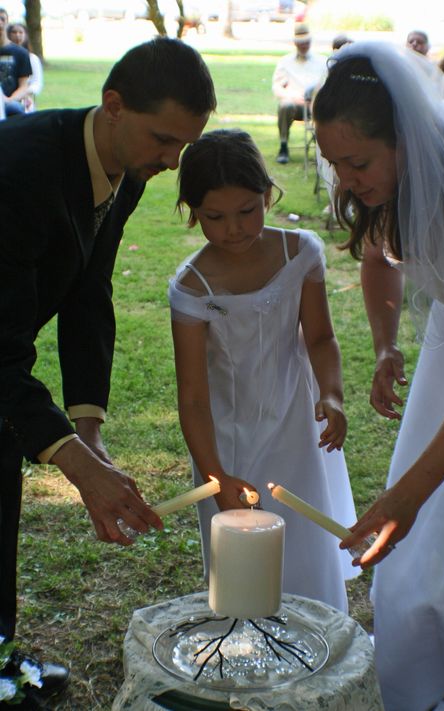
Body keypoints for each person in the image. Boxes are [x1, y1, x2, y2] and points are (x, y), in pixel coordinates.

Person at [0, 36, 215, 709]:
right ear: (114, 105)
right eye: (164, 139)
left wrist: (87, 429)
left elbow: (89, 294)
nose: (172, 160)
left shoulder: (123, 170)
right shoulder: (18, 171)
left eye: (184, 144)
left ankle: (0, 655)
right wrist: (75, 463)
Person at [313, 41, 444, 711]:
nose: (346, 180)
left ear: (405, 139)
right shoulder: (388, 179)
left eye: (358, 162)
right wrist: (384, 347)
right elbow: (380, 256)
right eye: (334, 163)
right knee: (413, 564)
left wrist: (404, 498)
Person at [169, 128, 358, 612]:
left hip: (296, 422)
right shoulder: (192, 287)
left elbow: (319, 338)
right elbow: (191, 396)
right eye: (215, 217)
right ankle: (244, 645)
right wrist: (214, 473)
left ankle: (317, 627)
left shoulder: (300, 253)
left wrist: (331, 395)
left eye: (247, 210)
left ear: (268, 194)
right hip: (228, 439)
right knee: (241, 555)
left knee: (304, 535)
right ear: (192, 211)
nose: (234, 228)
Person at [272, 22, 327, 164]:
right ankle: (283, 145)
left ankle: (323, 149)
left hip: (316, 104)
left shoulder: (322, 61)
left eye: (307, 43)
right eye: (301, 43)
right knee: (285, 105)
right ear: (295, 43)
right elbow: (277, 87)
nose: (304, 46)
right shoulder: (285, 62)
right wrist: (291, 96)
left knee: (325, 109)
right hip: (295, 103)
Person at [0, 7, 31, 116]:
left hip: (10, 103)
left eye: (2, 19)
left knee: (15, 109)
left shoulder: (21, 53)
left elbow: (24, 86)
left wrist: (9, 99)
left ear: (7, 23)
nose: (0, 23)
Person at [7, 21, 43, 111]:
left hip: (25, 99)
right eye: (14, 32)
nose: (17, 35)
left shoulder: (32, 58)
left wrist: (23, 92)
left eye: (21, 32)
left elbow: (37, 83)